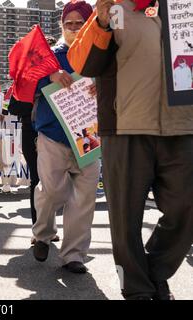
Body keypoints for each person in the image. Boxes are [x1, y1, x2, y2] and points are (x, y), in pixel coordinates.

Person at [68, 0, 193, 299]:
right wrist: (100, 23)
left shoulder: (184, 7)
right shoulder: (114, 7)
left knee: (185, 208)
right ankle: (138, 289)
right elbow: (82, 63)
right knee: (126, 218)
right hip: (125, 128)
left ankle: (156, 273)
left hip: (182, 126)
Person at [32, 1, 100, 275]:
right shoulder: (50, 55)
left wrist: (103, 85)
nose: (73, 28)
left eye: (79, 23)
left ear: (88, 26)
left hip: (89, 136)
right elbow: (26, 79)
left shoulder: (100, 53)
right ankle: (43, 233)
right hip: (53, 134)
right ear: (61, 25)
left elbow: (119, 78)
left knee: (84, 197)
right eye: (68, 23)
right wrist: (50, 74)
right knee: (52, 191)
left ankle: (74, 254)